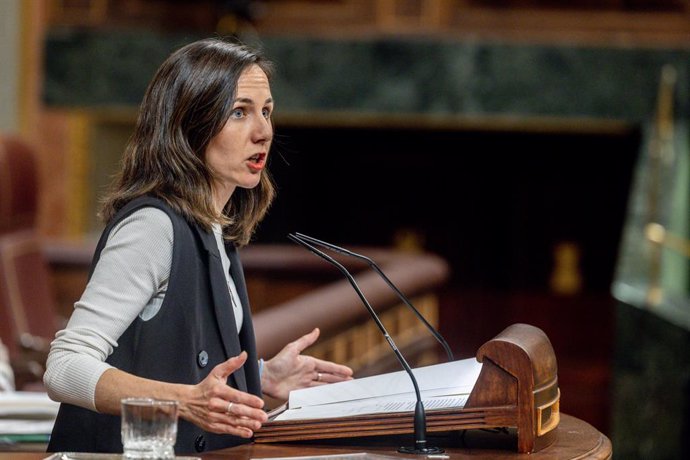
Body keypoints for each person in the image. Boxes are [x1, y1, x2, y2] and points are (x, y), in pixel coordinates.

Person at [43, 37, 353, 454]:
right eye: (239, 112)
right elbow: (64, 367)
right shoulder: (153, 226)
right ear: (190, 124)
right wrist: (185, 402)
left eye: (267, 112)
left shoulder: (213, 228)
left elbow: (178, 356)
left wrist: (262, 376)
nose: (263, 132)